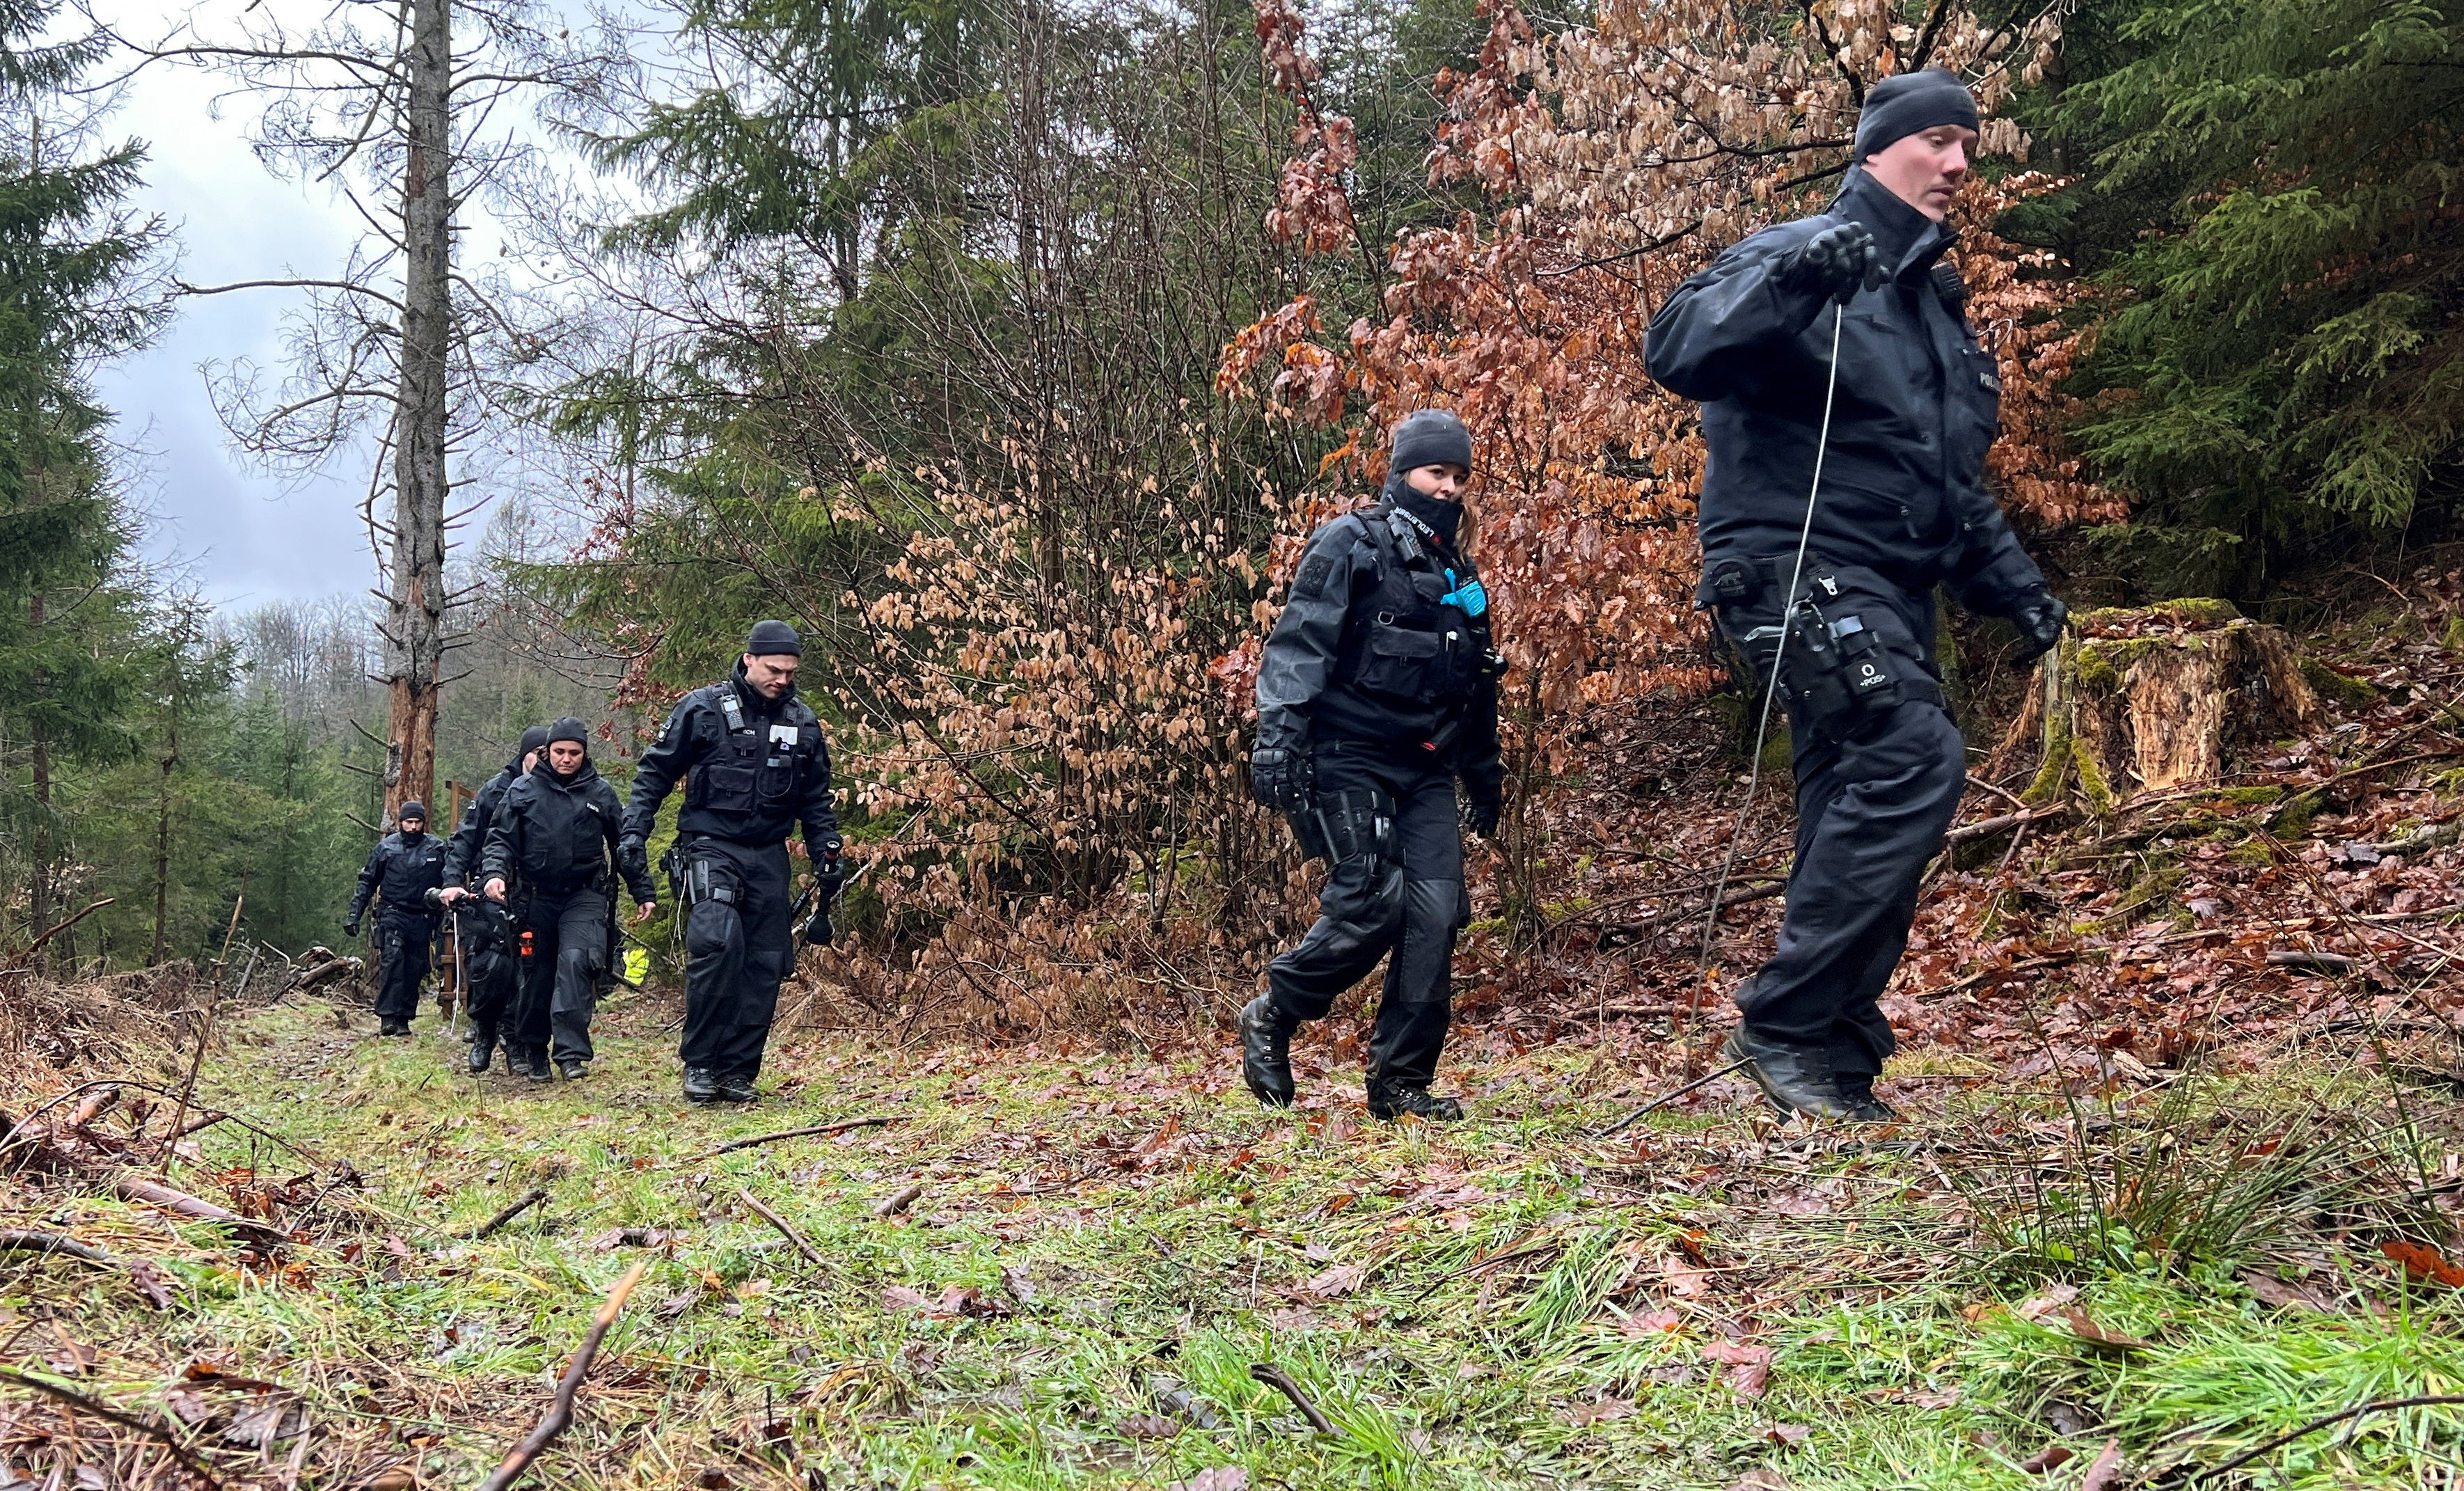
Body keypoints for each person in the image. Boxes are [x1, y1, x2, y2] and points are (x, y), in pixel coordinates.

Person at [1643, 68, 2068, 1121]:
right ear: (1878, 150)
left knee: (1856, 796)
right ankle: (1784, 1020)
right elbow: (1678, 347)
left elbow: (1942, 483)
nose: (1960, 163)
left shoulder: (1933, 307)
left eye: (1968, 144)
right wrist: (1798, 281)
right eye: (1935, 141)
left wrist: (2018, 591)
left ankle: (1832, 1048)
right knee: (1911, 753)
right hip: (1788, 562)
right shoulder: (1804, 249)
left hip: (1891, 582)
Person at [1242, 409, 1505, 1121]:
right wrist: (1279, 737)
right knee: (1373, 898)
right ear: (1401, 474)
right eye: (1435, 473)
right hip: (1346, 753)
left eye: (1459, 477)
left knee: (1436, 914)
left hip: (1425, 766)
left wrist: (1485, 774)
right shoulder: (1349, 544)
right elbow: (1298, 646)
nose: (1448, 488)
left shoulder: (1460, 571)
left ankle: (1401, 1084)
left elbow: (1476, 680)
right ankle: (1275, 1012)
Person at [622, 620, 842, 1106]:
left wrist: (827, 847)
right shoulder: (702, 709)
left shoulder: (802, 722)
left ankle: (738, 1070)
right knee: (719, 943)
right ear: (749, 659)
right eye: (773, 669)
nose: (782, 679)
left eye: (790, 672)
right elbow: (655, 772)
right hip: (710, 845)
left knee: (765, 962)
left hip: (768, 853)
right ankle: (701, 1062)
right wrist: (634, 830)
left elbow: (816, 797)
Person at [480, 718, 658, 1082]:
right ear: (548, 752)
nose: (566, 759)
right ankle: (534, 1048)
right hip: (534, 898)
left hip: (584, 895)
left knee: (578, 962)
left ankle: (570, 1052)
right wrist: (494, 875)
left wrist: (643, 890)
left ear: (584, 753)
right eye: (560, 752)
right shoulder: (522, 790)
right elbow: (500, 839)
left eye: (574, 753)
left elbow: (623, 844)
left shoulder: (600, 793)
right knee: (536, 975)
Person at [439, 724, 547, 1074]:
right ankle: (485, 1029)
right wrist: (454, 882)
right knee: (491, 966)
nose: (545, 760)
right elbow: (464, 840)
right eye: (538, 754)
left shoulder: (555, 790)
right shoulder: (494, 790)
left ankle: (516, 1041)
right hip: (489, 889)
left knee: (528, 969)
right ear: (525, 754)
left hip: (533, 892)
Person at [345, 802, 448, 1039]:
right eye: (408, 822)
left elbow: (451, 878)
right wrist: (354, 915)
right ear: (400, 822)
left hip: (423, 917)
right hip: (393, 914)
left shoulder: (436, 848)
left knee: (415, 967)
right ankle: (387, 1017)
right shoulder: (387, 848)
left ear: (424, 822)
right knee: (392, 962)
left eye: (417, 822)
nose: (413, 827)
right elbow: (367, 882)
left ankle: (404, 1018)